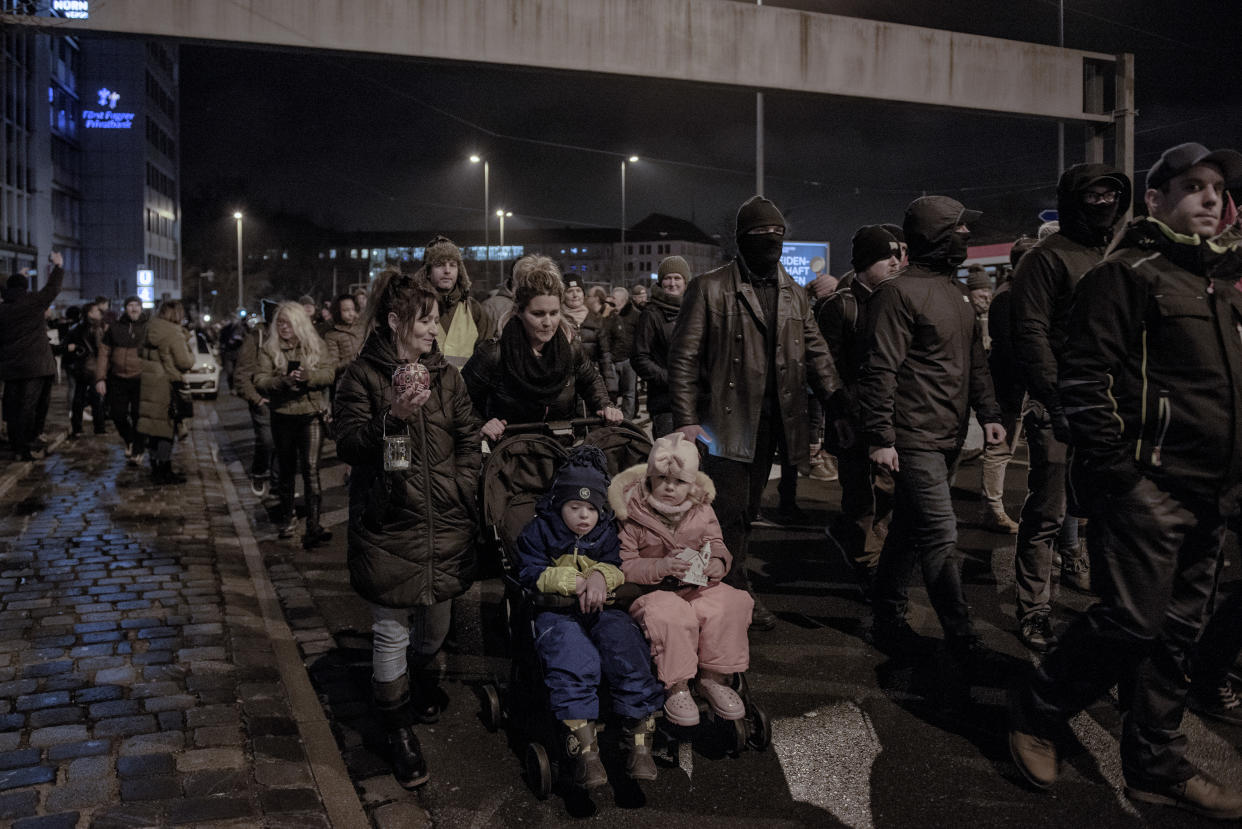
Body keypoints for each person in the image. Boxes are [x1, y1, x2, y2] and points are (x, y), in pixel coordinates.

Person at [1009, 142, 1242, 818]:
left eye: (1216, 188)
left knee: (1179, 635)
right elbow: (1086, 379)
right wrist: (1120, 476)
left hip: (1212, 491)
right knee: (1132, 623)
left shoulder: (1220, 282)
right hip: (1149, 488)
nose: (1208, 198)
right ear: (1157, 198)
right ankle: (1038, 703)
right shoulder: (1129, 275)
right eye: (1192, 185)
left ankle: (1154, 766)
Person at [333, 269, 481, 790]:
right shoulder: (360, 376)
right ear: (396, 321)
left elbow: (467, 437)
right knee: (391, 632)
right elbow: (349, 445)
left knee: (434, 628)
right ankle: (397, 731)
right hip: (388, 523)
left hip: (442, 521)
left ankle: (421, 681)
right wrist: (393, 415)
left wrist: (462, 486)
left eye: (437, 319)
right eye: (426, 319)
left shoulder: (446, 376)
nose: (435, 330)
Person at [667, 195, 842, 631]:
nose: (771, 243)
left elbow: (815, 348)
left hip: (774, 421)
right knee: (725, 513)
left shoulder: (793, 291)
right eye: (761, 236)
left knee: (745, 511)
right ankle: (729, 596)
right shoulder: (710, 287)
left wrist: (835, 396)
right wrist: (687, 420)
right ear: (741, 240)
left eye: (777, 236)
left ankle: (722, 591)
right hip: (723, 422)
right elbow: (684, 358)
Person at [854, 196, 1004, 663]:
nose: (966, 237)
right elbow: (879, 370)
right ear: (937, 234)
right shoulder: (896, 294)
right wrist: (881, 437)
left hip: (949, 435)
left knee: (906, 531)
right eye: (959, 230)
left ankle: (886, 614)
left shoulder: (955, 292)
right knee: (940, 534)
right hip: (913, 437)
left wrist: (991, 413)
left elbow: (975, 360)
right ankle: (961, 635)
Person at [1009, 163, 1131, 652]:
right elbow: (1031, 332)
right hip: (1061, 406)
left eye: (1110, 195)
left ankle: (1107, 608)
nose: (1102, 203)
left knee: (1113, 512)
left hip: (1116, 408)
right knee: (1049, 512)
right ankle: (1034, 609)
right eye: (1093, 195)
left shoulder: (1120, 255)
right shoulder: (1045, 258)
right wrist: (1056, 398)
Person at [513, 446, 664, 789]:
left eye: (592, 509)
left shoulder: (606, 533)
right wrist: (573, 580)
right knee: (573, 656)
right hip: (555, 612)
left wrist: (599, 577)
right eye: (574, 507)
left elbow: (617, 567)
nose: (584, 516)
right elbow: (529, 571)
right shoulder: (539, 532)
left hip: (602, 609)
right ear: (558, 505)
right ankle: (583, 747)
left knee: (626, 644)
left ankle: (638, 737)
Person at [611, 432, 753, 730]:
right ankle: (676, 685)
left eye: (679, 482)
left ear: (692, 484)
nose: (669, 487)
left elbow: (715, 541)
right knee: (671, 616)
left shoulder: (701, 508)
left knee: (731, 603)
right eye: (661, 479)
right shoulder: (631, 512)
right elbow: (624, 565)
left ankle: (714, 678)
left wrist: (717, 560)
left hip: (694, 584)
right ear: (649, 478)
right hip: (650, 590)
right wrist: (660, 566)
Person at [817, 226, 902, 595]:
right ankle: (868, 563)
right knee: (860, 492)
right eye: (889, 256)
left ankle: (874, 548)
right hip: (851, 417)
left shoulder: (895, 298)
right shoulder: (840, 305)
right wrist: (840, 414)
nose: (898, 261)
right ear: (868, 262)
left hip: (887, 415)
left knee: (887, 488)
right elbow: (825, 367)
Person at [462, 259, 620, 441]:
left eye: (554, 313)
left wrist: (605, 405)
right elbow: (462, 400)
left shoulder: (571, 349)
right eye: (538, 314)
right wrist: (483, 423)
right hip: (511, 456)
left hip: (561, 450)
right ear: (519, 312)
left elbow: (591, 380)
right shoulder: (494, 353)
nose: (547, 322)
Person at [253, 301, 336, 548]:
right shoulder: (269, 348)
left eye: (288, 322)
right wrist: (281, 382)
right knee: (287, 470)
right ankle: (288, 519)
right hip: (282, 415)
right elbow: (259, 378)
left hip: (310, 413)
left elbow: (329, 373)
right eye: (280, 322)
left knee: (311, 469)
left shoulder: (315, 344)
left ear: (298, 323)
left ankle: (314, 525)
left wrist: (309, 377)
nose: (283, 327)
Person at [978, 240, 1035, 537]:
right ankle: (993, 510)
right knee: (1000, 449)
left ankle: (994, 508)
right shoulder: (1009, 297)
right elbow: (1009, 348)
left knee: (1005, 448)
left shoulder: (1014, 293)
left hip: (1015, 384)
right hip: (1008, 385)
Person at [0, 252, 64, 460]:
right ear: (25, 288)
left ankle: (16, 445)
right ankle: (26, 446)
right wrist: (58, 266)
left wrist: (17, 278)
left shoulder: (3, 308)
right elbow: (52, 289)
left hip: (10, 366)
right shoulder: (33, 302)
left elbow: (10, 290)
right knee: (29, 406)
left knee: (12, 407)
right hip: (35, 365)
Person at [136, 299, 195, 484]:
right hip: (167, 384)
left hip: (149, 381)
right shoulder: (173, 333)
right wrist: (190, 348)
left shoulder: (149, 327)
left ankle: (155, 466)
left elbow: (139, 351)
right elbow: (185, 362)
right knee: (166, 427)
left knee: (153, 426)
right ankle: (164, 470)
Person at [632, 256, 689, 438]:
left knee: (698, 462)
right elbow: (639, 357)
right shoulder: (651, 314)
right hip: (666, 403)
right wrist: (669, 378)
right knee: (670, 460)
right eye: (667, 278)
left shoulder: (695, 309)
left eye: (677, 278)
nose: (672, 283)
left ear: (686, 281)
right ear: (661, 281)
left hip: (696, 402)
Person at [422, 235, 493, 365]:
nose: (447, 271)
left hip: (466, 385)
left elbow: (488, 358)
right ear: (427, 271)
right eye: (440, 265)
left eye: (453, 265)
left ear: (459, 270)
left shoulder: (474, 309)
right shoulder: (415, 307)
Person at [95, 296, 148, 462]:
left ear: (141, 308)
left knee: (139, 415)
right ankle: (130, 440)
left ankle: (138, 449)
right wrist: (100, 378)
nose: (133, 308)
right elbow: (104, 353)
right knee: (117, 414)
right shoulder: (115, 328)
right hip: (117, 378)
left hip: (141, 378)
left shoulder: (148, 327)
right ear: (125, 308)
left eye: (136, 305)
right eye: (130, 305)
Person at [234, 302, 279, 497]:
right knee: (267, 440)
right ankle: (259, 472)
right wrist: (255, 398)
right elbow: (242, 374)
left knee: (283, 443)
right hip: (262, 399)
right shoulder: (255, 338)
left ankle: (279, 486)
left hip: (284, 399)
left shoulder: (290, 336)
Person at [559, 270, 612, 392]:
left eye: (578, 290)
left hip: (591, 381)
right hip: (565, 383)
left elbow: (605, 355)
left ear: (583, 294)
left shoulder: (596, 319)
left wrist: (610, 384)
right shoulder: (557, 319)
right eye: (570, 291)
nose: (575, 295)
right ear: (562, 295)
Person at [66, 300, 106, 437]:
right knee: (96, 399)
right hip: (93, 367)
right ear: (90, 313)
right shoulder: (96, 328)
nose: (99, 313)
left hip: (79, 367)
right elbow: (100, 348)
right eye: (96, 311)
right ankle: (99, 428)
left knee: (78, 396)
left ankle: (77, 428)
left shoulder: (75, 328)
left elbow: (67, 346)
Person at [602, 286, 641, 420]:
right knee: (611, 393)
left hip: (629, 360)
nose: (611, 299)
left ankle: (627, 421)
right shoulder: (608, 314)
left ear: (623, 300)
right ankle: (613, 420)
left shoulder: (635, 315)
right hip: (612, 360)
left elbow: (640, 337)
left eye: (614, 298)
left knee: (629, 393)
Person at [322, 292, 365, 383]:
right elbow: (334, 366)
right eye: (346, 310)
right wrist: (356, 357)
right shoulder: (332, 335)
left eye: (353, 309)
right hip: (348, 381)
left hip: (369, 378)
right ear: (337, 311)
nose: (351, 314)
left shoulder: (363, 327)